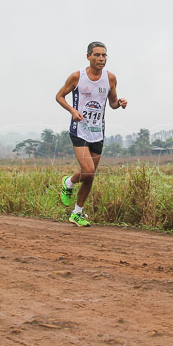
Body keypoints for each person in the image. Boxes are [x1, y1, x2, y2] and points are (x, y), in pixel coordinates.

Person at [55, 41, 127, 226]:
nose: (101, 59)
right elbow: (59, 96)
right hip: (79, 130)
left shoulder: (110, 78)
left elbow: (112, 103)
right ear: (88, 56)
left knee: (90, 175)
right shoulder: (77, 76)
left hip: (98, 132)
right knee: (87, 170)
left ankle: (77, 213)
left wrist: (120, 103)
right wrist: (72, 111)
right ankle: (68, 182)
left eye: (104, 55)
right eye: (97, 55)